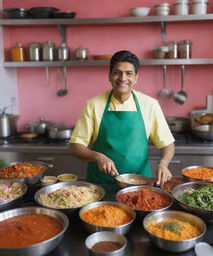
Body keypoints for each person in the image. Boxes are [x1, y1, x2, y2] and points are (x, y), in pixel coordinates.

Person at [69, 50, 175, 185]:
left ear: (136, 77)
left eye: (129, 73)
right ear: (109, 76)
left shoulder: (150, 105)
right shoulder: (93, 104)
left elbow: (167, 143)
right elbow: (75, 146)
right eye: (117, 72)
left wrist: (163, 164)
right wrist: (98, 157)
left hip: (140, 183)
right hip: (101, 183)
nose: (122, 78)